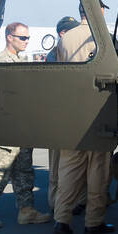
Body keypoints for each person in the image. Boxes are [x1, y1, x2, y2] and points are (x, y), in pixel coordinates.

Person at [0, 22, 48, 228]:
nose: (26, 42)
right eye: (22, 38)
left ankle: (27, 210)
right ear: (9, 37)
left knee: (24, 169)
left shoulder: (19, 60)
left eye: (27, 38)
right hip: (6, 125)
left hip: (21, 124)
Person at [52, 0, 116, 234]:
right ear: (97, 11)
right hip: (97, 111)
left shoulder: (65, 38)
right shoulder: (104, 36)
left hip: (71, 112)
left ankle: (61, 219)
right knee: (98, 169)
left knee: (68, 168)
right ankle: (94, 221)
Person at [45, 14, 78, 214]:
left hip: (67, 116)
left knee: (68, 165)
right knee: (57, 165)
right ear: (63, 33)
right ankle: (55, 202)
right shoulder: (54, 55)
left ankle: (68, 201)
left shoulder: (65, 52)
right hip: (57, 118)